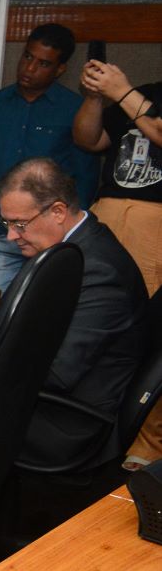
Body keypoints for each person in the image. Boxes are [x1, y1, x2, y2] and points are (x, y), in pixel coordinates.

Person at [0, 158, 147, 471]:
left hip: (66, 425)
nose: (11, 236)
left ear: (58, 212)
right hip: (47, 403)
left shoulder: (99, 271)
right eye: (6, 223)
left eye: (19, 224)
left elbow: (57, 374)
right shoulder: (67, 247)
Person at [74, 58, 162, 469]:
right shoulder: (146, 91)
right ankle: (89, 429)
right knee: (92, 320)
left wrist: (123, 92)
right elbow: (87, 139)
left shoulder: (131, 93)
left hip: (153, 224)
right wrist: (96, 97)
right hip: (106, 216)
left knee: (149, 331)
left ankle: (147, 444)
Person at [0, 23, 96, 291]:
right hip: (3, 235)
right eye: (27, 56)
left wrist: (73, 237)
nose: (29, 68)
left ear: (60, 69)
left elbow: (85, 176)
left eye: (43, 63)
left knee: (44, 306)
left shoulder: (74, 110)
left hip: (51, 237)